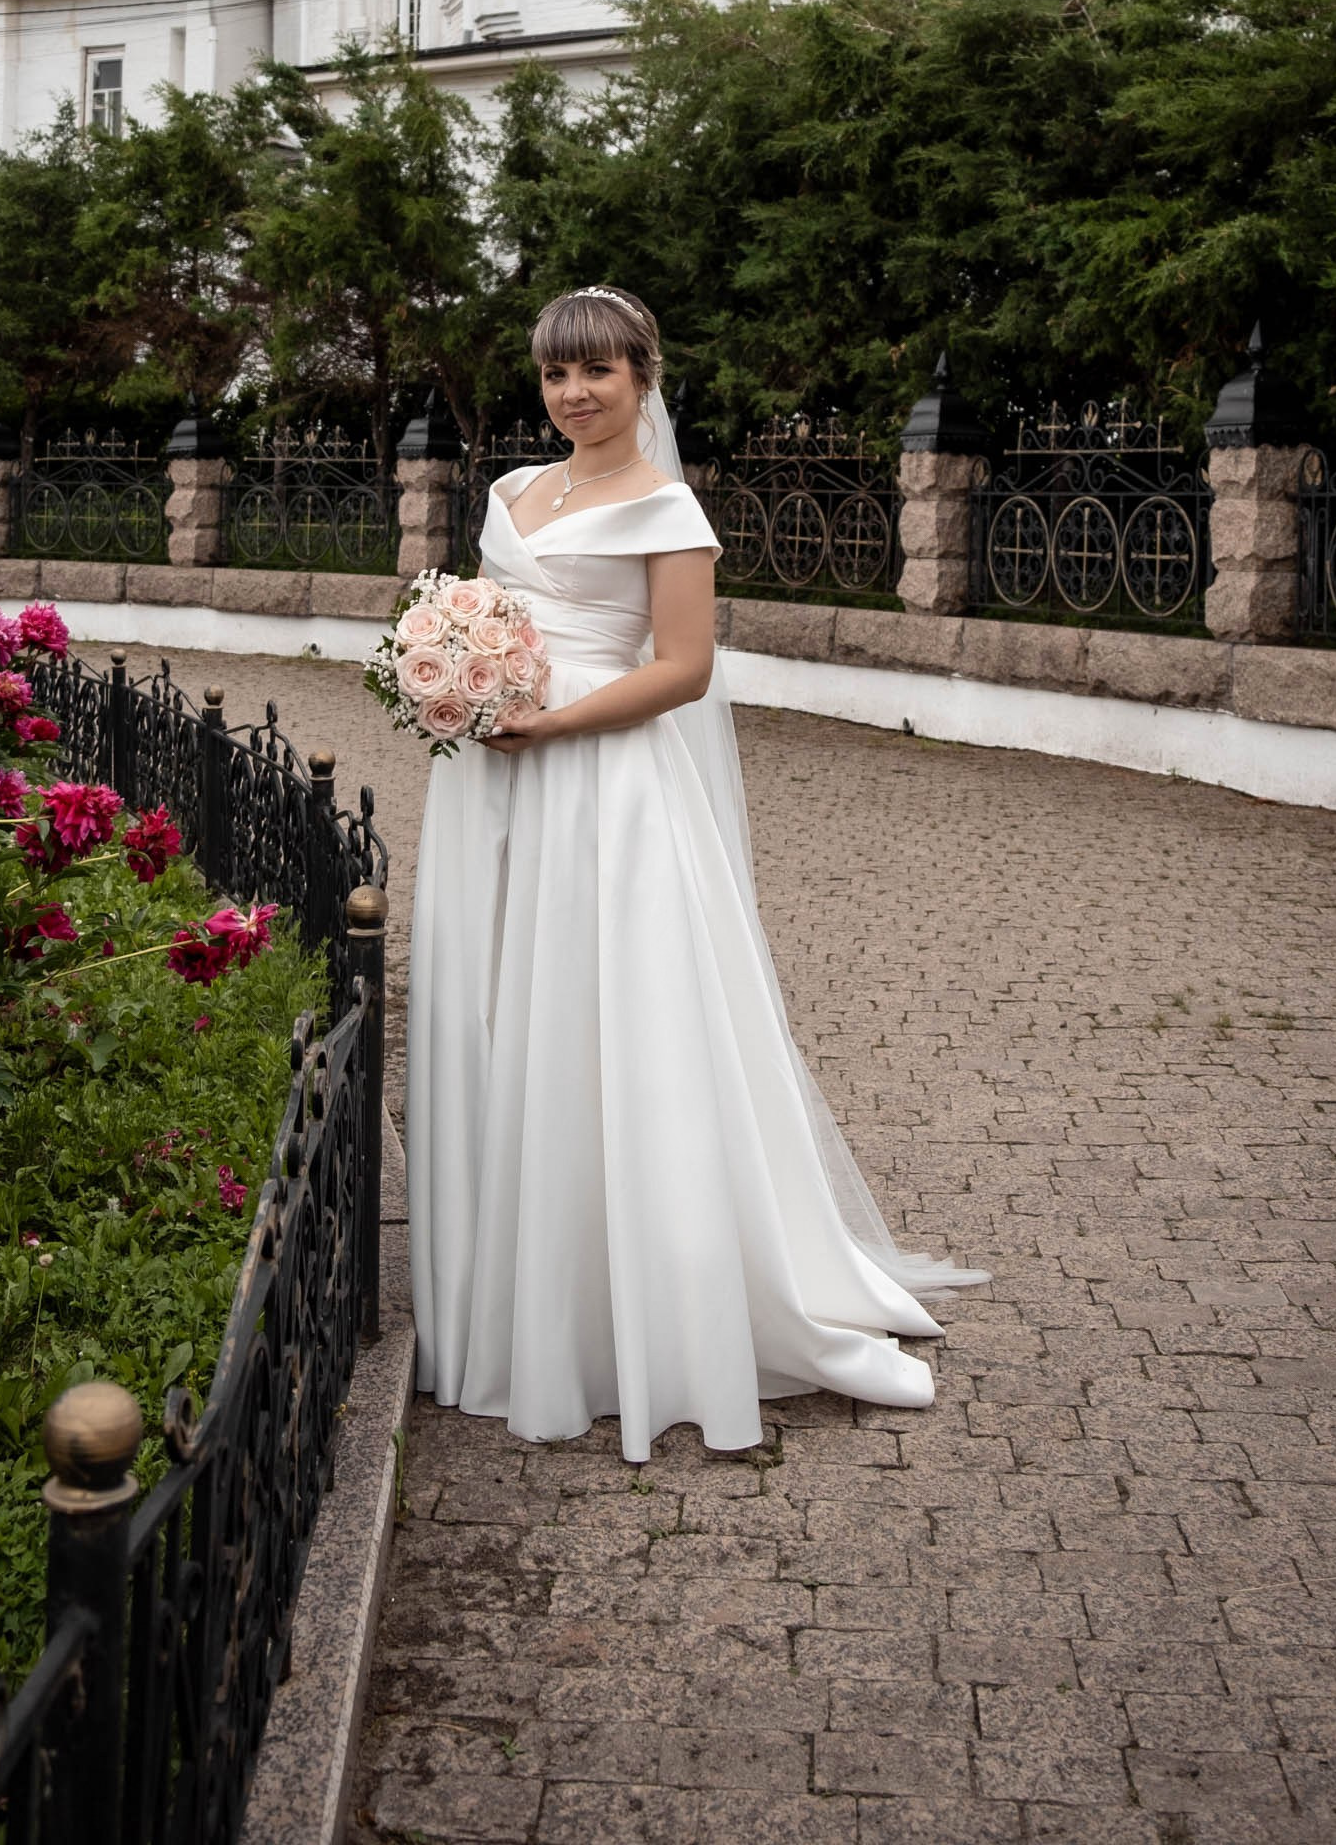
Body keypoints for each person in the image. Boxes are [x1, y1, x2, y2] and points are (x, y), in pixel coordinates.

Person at [407, 283, 982, 1462]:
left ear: (640, 378)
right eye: (556, 376)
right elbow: (490, 611)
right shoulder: (514, 491)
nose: (574, 395)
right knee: (499, 1015)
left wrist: (549, 726)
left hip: (601, 786)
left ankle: (633, 1307)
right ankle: (509, 1291)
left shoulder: (666, 508)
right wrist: (452, 673)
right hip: (489, 779)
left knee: (611, 1029)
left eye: (597, 374)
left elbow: (682, 670)